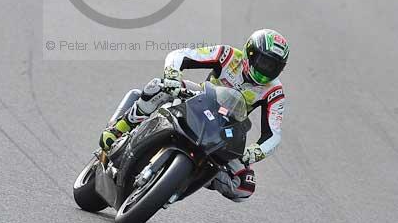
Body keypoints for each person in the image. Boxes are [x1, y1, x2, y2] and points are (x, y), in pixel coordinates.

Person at [100, 28, 289, 203]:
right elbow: (181, 55)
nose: (266, 72)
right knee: (158, 87)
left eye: (273, 68)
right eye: (264, 63)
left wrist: (253, 152)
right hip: (199, 99)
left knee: (244, 186)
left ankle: (191, 178)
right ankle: (119, 129)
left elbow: (273, 134)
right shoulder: (228, 55)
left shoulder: (274, 91)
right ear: (250, 53)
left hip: (225, 128)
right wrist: (173, 76)